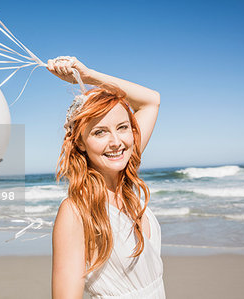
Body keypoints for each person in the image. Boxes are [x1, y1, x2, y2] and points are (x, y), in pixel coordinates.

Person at [47, 56, 164, 298]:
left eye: (122, 127)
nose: (116, 142)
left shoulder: (125, 172)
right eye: (100, 132)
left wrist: (88, 76)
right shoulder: (76, 211)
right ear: (80, 142)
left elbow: (151, 100)